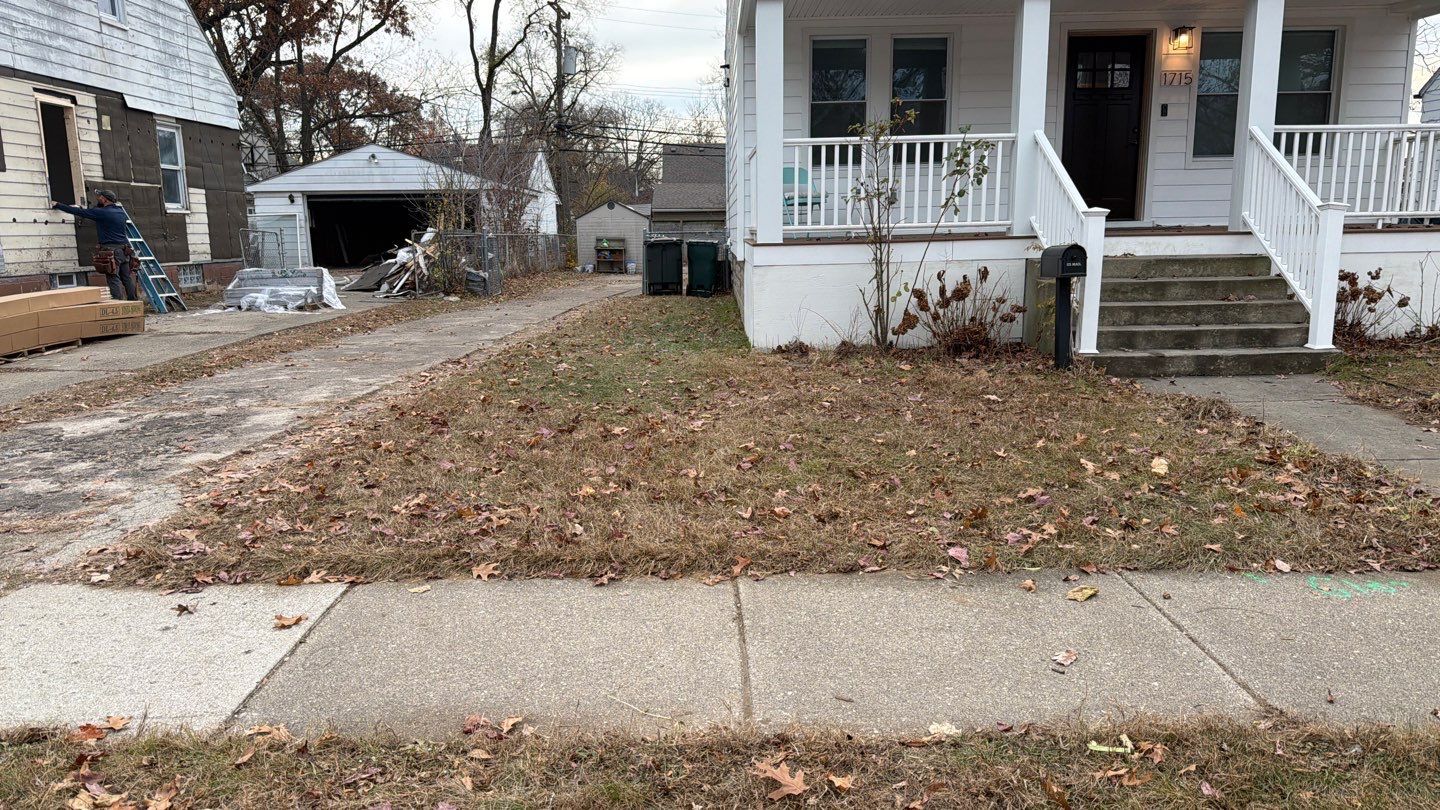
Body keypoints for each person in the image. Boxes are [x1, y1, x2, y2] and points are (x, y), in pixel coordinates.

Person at [51, 190, 138, 301]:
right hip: (124, 250)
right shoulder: (121, 212)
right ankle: (134, 303)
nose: (98, 199)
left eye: (100, 197)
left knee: (113, 278)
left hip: (111, 251)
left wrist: (58, 205)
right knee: (126, 278)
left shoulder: (101, 213)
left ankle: (118, 305)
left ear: (104, 199)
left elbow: (80, 212)